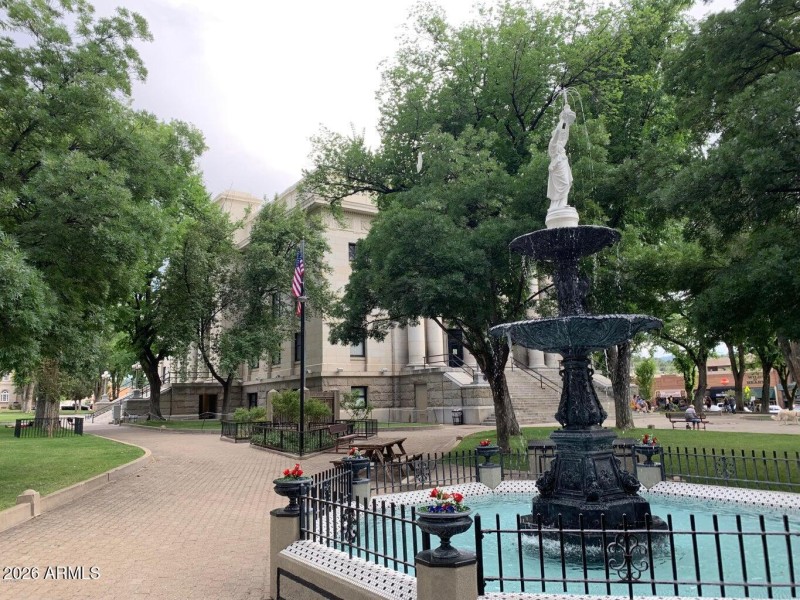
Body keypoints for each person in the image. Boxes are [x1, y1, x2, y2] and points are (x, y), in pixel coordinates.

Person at [547, 97, 577, 211]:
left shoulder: (561, 144)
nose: (560, 136)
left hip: (563, 164)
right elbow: (559, 132)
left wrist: (566, 122)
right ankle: (556, 206)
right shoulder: (553, 145)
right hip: (557, 167)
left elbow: (565, 134)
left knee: (567, 183)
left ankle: (563, 204)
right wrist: (562, 120)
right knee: (563, 183)